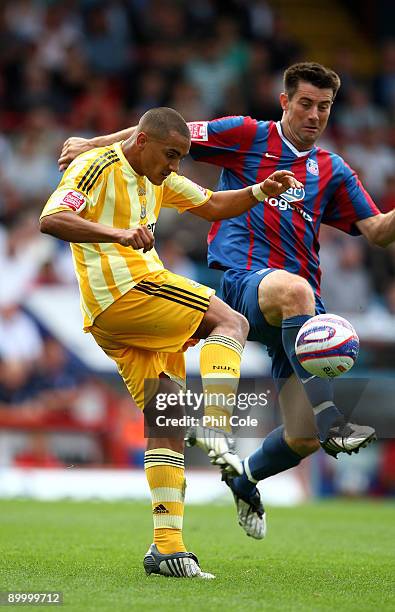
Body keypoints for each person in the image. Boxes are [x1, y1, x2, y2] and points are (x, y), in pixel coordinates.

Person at [58, 63, 395, 540]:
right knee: (295, 291)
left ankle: (244, 477)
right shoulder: (246, 134)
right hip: (244, 282)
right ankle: (333, 419)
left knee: (302, 438)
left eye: (324, 106)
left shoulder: (333, 170)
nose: (315, 114)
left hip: (293, 313)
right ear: (284, 101)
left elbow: (379, 231)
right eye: (305, 103)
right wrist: (92, 144)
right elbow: (156, 131)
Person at [41, 107, 301, 577]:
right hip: (128, 292)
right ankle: (220, 428)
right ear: (141, 141)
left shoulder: (158, 177)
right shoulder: (96, 165)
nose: (175, 165)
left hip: (115, 320)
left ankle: (167, 548)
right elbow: (52, 218)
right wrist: (117, 233)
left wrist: (261, 191)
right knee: (232, 323)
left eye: (181, 157)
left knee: (167, 421)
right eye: (170, 155)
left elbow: (213, 205)